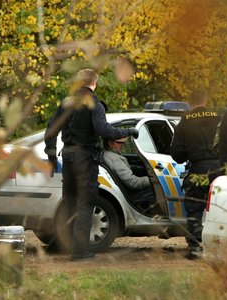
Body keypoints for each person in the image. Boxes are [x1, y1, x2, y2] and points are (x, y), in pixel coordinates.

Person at [44, 69, 138, 261]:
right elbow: (103, 129)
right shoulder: (94, 103)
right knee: (85, 204)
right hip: (85, 159)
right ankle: (80, 252)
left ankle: (70, 248)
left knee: (70, 204)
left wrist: (52, 159)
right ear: (94, 82)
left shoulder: (66, 103)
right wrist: (128, 131)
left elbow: (50, 131)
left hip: (68, 158)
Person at [170, 88, 220, 260]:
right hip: (220, 171)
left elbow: (177, 155)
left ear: (189, 103)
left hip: (198, 170)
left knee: (194, 208)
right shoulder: (217, 118)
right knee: (220, 207)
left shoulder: (184, 121)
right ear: (206, 101)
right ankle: (221, 246)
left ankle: (195, 247)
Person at [102, 136, 154, 210]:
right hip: (132, 194)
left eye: (123, 142)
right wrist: (152, 180)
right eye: (119, 142)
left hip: (127, 190)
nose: (122, 144)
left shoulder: (108, 154)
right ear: (110, 144)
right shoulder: (114, 159)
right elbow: (133, 183)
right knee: (159, 189)